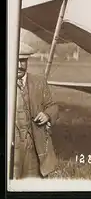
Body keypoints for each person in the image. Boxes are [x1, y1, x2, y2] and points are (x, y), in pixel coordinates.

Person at [12, 42, 59, 179]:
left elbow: (53, 106)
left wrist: (48, 115)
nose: (20, 65)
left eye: (23, 61)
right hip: (11, 149)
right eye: (16, 61)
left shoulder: (39, 82)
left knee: (33, 184)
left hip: (33, 147)